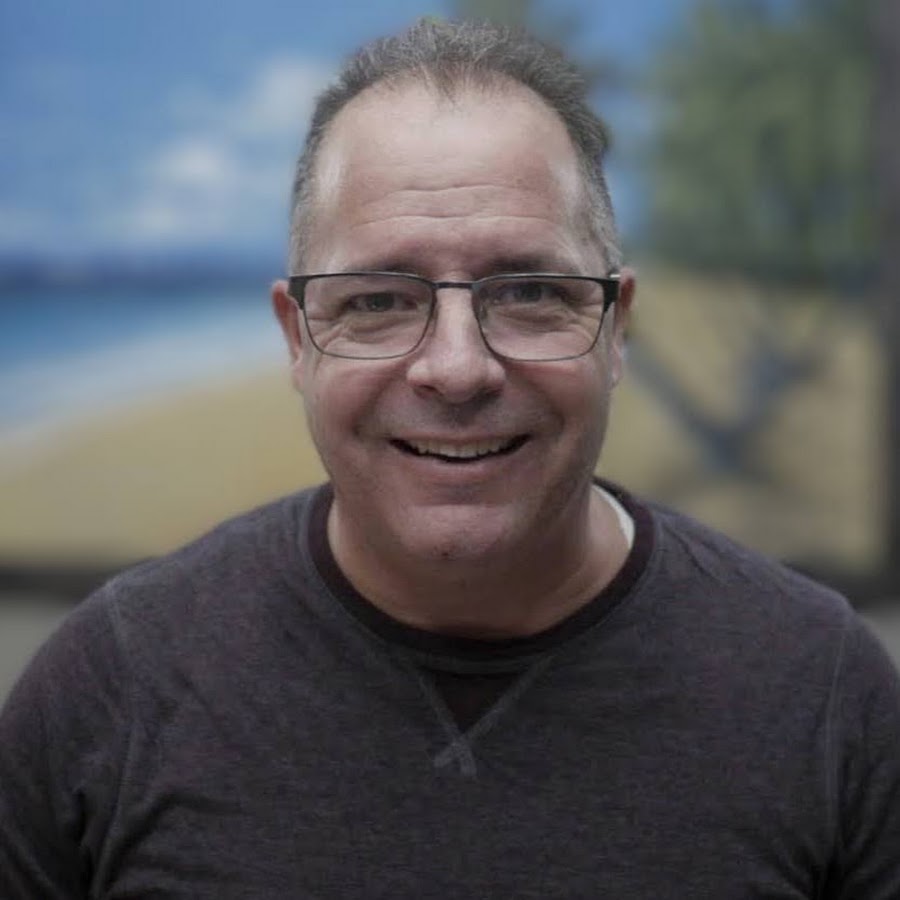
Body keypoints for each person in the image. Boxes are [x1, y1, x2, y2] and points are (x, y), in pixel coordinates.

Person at [1, 18, 899, 898]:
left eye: (531, 290)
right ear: (298, 339)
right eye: (378, 301)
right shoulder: (113, 684)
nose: (458, 369)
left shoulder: (821, 691)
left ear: (615, 328)